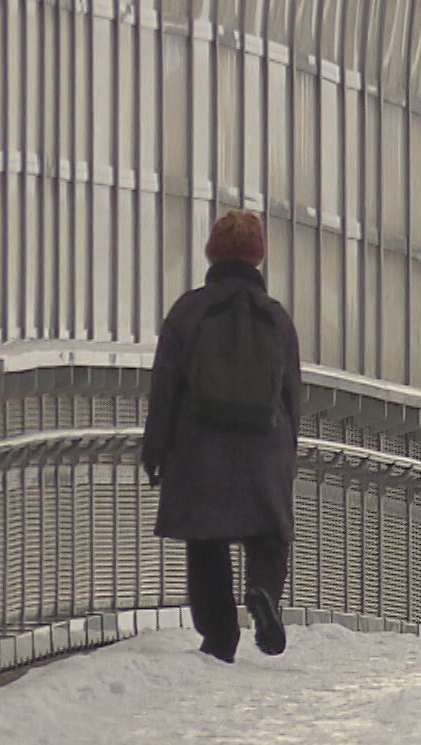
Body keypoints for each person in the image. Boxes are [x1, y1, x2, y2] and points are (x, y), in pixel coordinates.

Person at [141, 209, 303, 662]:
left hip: (200, 449)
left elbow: (165, 387)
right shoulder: (276, 318)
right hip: (264, 447)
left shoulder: (189, 311)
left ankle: (220, 637)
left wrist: (155, 451)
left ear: (212, 252)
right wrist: (285, 456)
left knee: (206, 542)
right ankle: (262, 592)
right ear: (259, 256)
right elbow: (291, 392)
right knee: (269, 539)